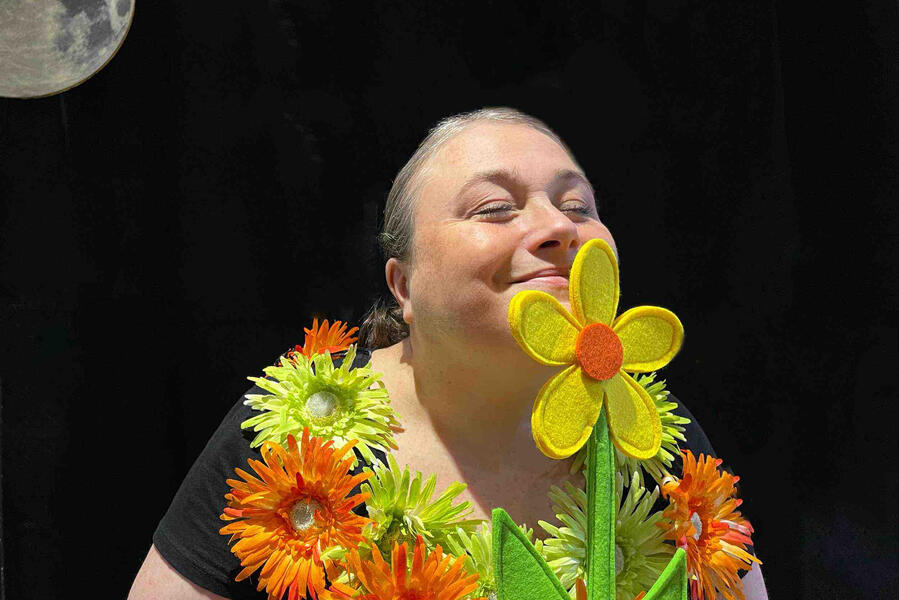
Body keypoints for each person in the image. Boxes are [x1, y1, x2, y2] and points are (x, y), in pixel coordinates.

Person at [128, 107, 768, 599]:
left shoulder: (654, 436)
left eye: (578, 206)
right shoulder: (287, 434)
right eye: (494, 209)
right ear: (403, 286)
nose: (558, 227)